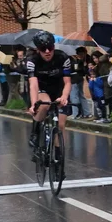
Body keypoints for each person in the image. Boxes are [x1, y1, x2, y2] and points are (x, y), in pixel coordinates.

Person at [25, 31, 72, 159]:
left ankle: (58, 156)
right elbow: (33, 85)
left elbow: (68, 82)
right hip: (42, 89)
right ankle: (35, 132)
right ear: (37, 50)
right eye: (43, 49)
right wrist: (34, 104)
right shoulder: (32, 61)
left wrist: (64, 97)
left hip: (59, 89)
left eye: (50, 48)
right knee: (44, 106)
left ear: (54, 47)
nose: (47, 51)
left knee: (60, 125)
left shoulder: (63, 57)